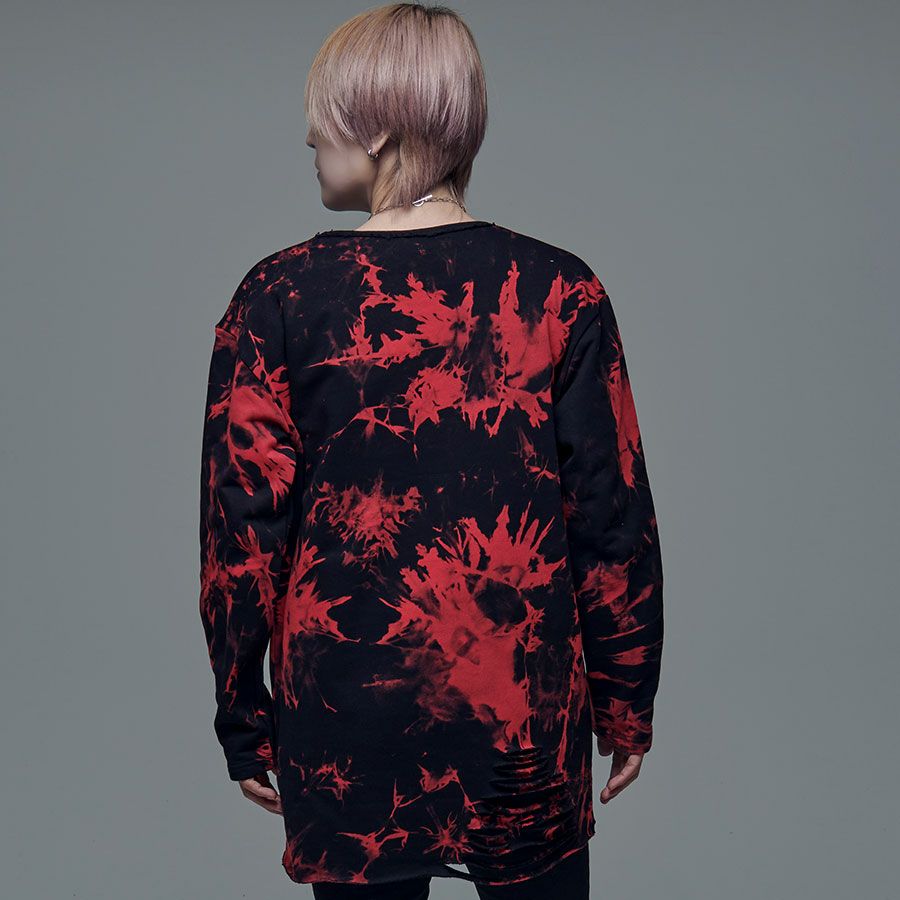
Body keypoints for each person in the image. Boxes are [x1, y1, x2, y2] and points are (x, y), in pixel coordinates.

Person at [198, 4, 664, 898]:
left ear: (376, 131)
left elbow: (241, 532)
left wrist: (242, 717)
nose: (308, 137)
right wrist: (625, 701)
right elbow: (611, 515)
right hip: (520, 716)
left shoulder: (278, 297)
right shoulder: (558, 290)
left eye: (323, 117)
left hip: (347, 722)